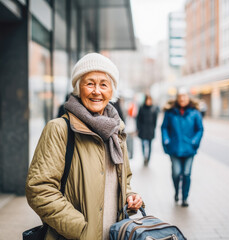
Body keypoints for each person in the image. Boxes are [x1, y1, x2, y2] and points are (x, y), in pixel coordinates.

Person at [26, 53, 143, 240]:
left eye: (104, 84)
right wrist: (80, 228)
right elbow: (39, 188)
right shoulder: (59, 129)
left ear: (112, 91)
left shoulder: (116, 131)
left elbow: (124, 179)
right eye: (90, 83)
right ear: (78, 88)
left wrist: (130, 197)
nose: (97, 91)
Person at [161, 88, 203, 207]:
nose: (182, 99)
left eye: (184, 96)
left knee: (186, 173)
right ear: (177, 98)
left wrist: (195, 140)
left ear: (188, 98)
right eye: (180, 97)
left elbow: (200, 129)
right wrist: (166, 139)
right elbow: (164, 127)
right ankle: (176, 192)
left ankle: (184, 197)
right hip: (174, 148)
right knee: (176, 173)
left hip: (189, 148)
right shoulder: (170, 112)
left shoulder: (195, 112)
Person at [136, 94, 158, 166]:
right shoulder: (142, 108)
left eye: (149, 100)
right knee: (143, 144)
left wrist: (153, 128)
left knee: (150, 145)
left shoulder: (153, 108)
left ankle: (148, 158)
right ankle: (144, 157)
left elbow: (155, 120)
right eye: (147, 100)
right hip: (143, 129)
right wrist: (138, 128)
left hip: (150, 130)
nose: (148, 101)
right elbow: (138, 119)